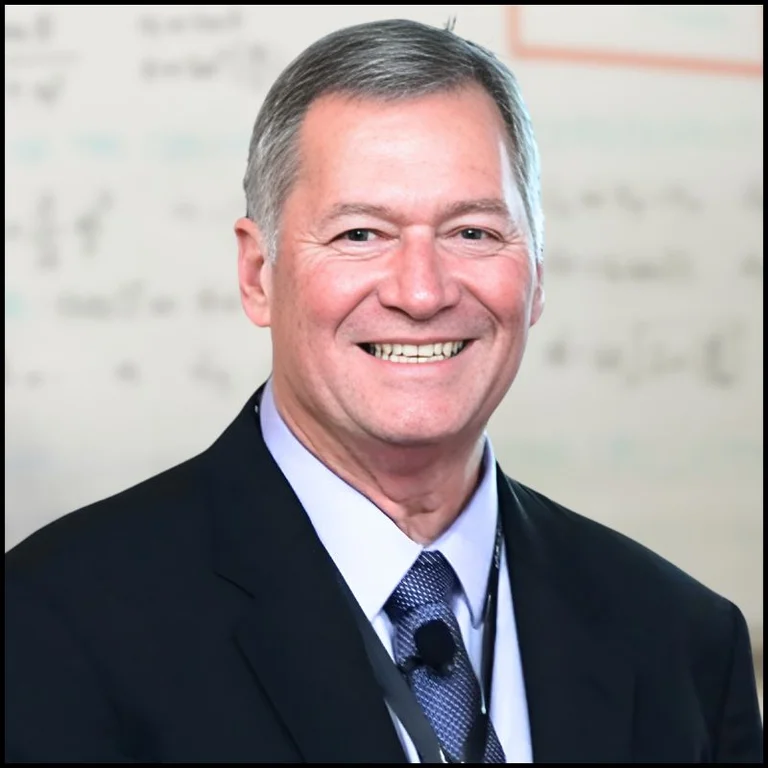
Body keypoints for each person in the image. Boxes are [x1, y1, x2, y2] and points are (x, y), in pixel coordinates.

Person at [4, 18, 762, 764]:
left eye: (473, 232)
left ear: (536, 273)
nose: (422, 292)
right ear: (258, 274)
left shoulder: (684, 641)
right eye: (360, 234)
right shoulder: (52, 627)